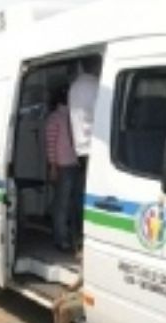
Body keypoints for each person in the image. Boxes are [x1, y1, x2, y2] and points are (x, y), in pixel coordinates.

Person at [68, 57, 100, 244]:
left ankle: (76, 236)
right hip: (94, 148)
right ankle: (84, 239)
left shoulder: (74, 87)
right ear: (96, 66)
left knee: (79, 195)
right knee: (91, 201)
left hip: (79, 148)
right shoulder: (95, 86)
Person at [45, 88, 79, 252]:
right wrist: (53, 166)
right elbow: (50, 144)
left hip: (74, 163)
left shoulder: (72, 116)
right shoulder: (55, 118)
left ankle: (71, 238)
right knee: (63, 204)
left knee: (70, 203)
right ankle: (61, 238)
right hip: (63, 165)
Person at [42, 252, 84, 323]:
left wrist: (69, 291)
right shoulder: (84, 264)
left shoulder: (93, 264)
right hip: (80, 293)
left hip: (89, 298)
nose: (77, 255)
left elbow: (80, 283)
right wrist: (66, 291)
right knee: (56, 304)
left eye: (80, 253)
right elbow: (79, 281)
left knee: (64, 309)